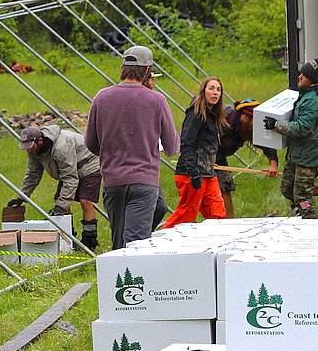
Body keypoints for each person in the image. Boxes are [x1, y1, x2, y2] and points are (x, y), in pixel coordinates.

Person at [85, 45, 180, 249]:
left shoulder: (101, 97)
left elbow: (90, 143)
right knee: (136, 245)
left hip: (113, 180)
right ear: (147, 71)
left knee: (118, 243)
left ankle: (114, 279)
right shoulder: (157, 100)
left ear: (122, 68)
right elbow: (172, 146)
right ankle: (133, 279)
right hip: (144, 181)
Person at [6, 125, 101, 250]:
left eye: (30, 147)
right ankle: (68, 240)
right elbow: (32, 174)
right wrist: (21, 196)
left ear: (40, 140)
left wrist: (61, 206)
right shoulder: (34, 151)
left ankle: (89, 242)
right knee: (59, 201)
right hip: (70, 170)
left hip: (89, 164)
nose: (28, 151)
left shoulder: (61, 147)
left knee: (85, 201)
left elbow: (70, 179)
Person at [264, 57, 318, 218]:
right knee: (286, 188)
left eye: (304, 75)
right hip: (296, 153)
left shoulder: (313, 102)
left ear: (312, 80)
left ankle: (312, 225)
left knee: (302, 197)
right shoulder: (305, 95)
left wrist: (276, 125)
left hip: (308, 156)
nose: (299, 77)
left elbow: (301, 128)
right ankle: (300, 213)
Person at [163, 77, 227, 228]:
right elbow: (186, 143)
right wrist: (193, 171)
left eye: (218, 90)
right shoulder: (196, 114)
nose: (215, 93)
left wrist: (210, 162)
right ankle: (159, 243)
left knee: (217, 214)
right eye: (211, 88)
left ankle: (214, 243)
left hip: (208, 173)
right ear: (203, 91)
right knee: (186, 214)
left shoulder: (213, 115)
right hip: (190, 173)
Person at [216, 99, 279, 218]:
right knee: (207, 190)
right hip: (203, 155)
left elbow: (266, 146)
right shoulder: (224, 123)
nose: (256, 128)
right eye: (255, 123)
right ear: (245, 118)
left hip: (220, 158)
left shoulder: (248, 127)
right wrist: (208, 161)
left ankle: (229, 221)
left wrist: (273, 164)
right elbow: (205, 141)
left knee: (225, 185)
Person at [143, 72, 170, 230]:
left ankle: (143, 234)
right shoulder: (152, 101)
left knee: (160, 207)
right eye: (152, 79)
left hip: (151, 165)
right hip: (140, 167)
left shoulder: (156, 100)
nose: (154, 82)